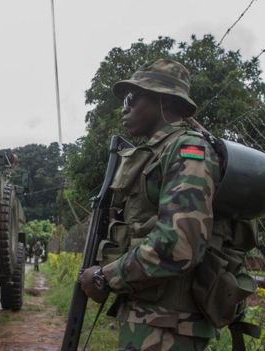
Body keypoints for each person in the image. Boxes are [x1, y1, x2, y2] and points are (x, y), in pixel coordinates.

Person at [78, 59, 220, 350]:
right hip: (152, 316)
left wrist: (107, 277)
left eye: (132, 97)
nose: (124, 107)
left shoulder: (188, 149)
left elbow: (180, 244)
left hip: (171, 323)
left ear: (162, 100)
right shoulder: (157, 152)